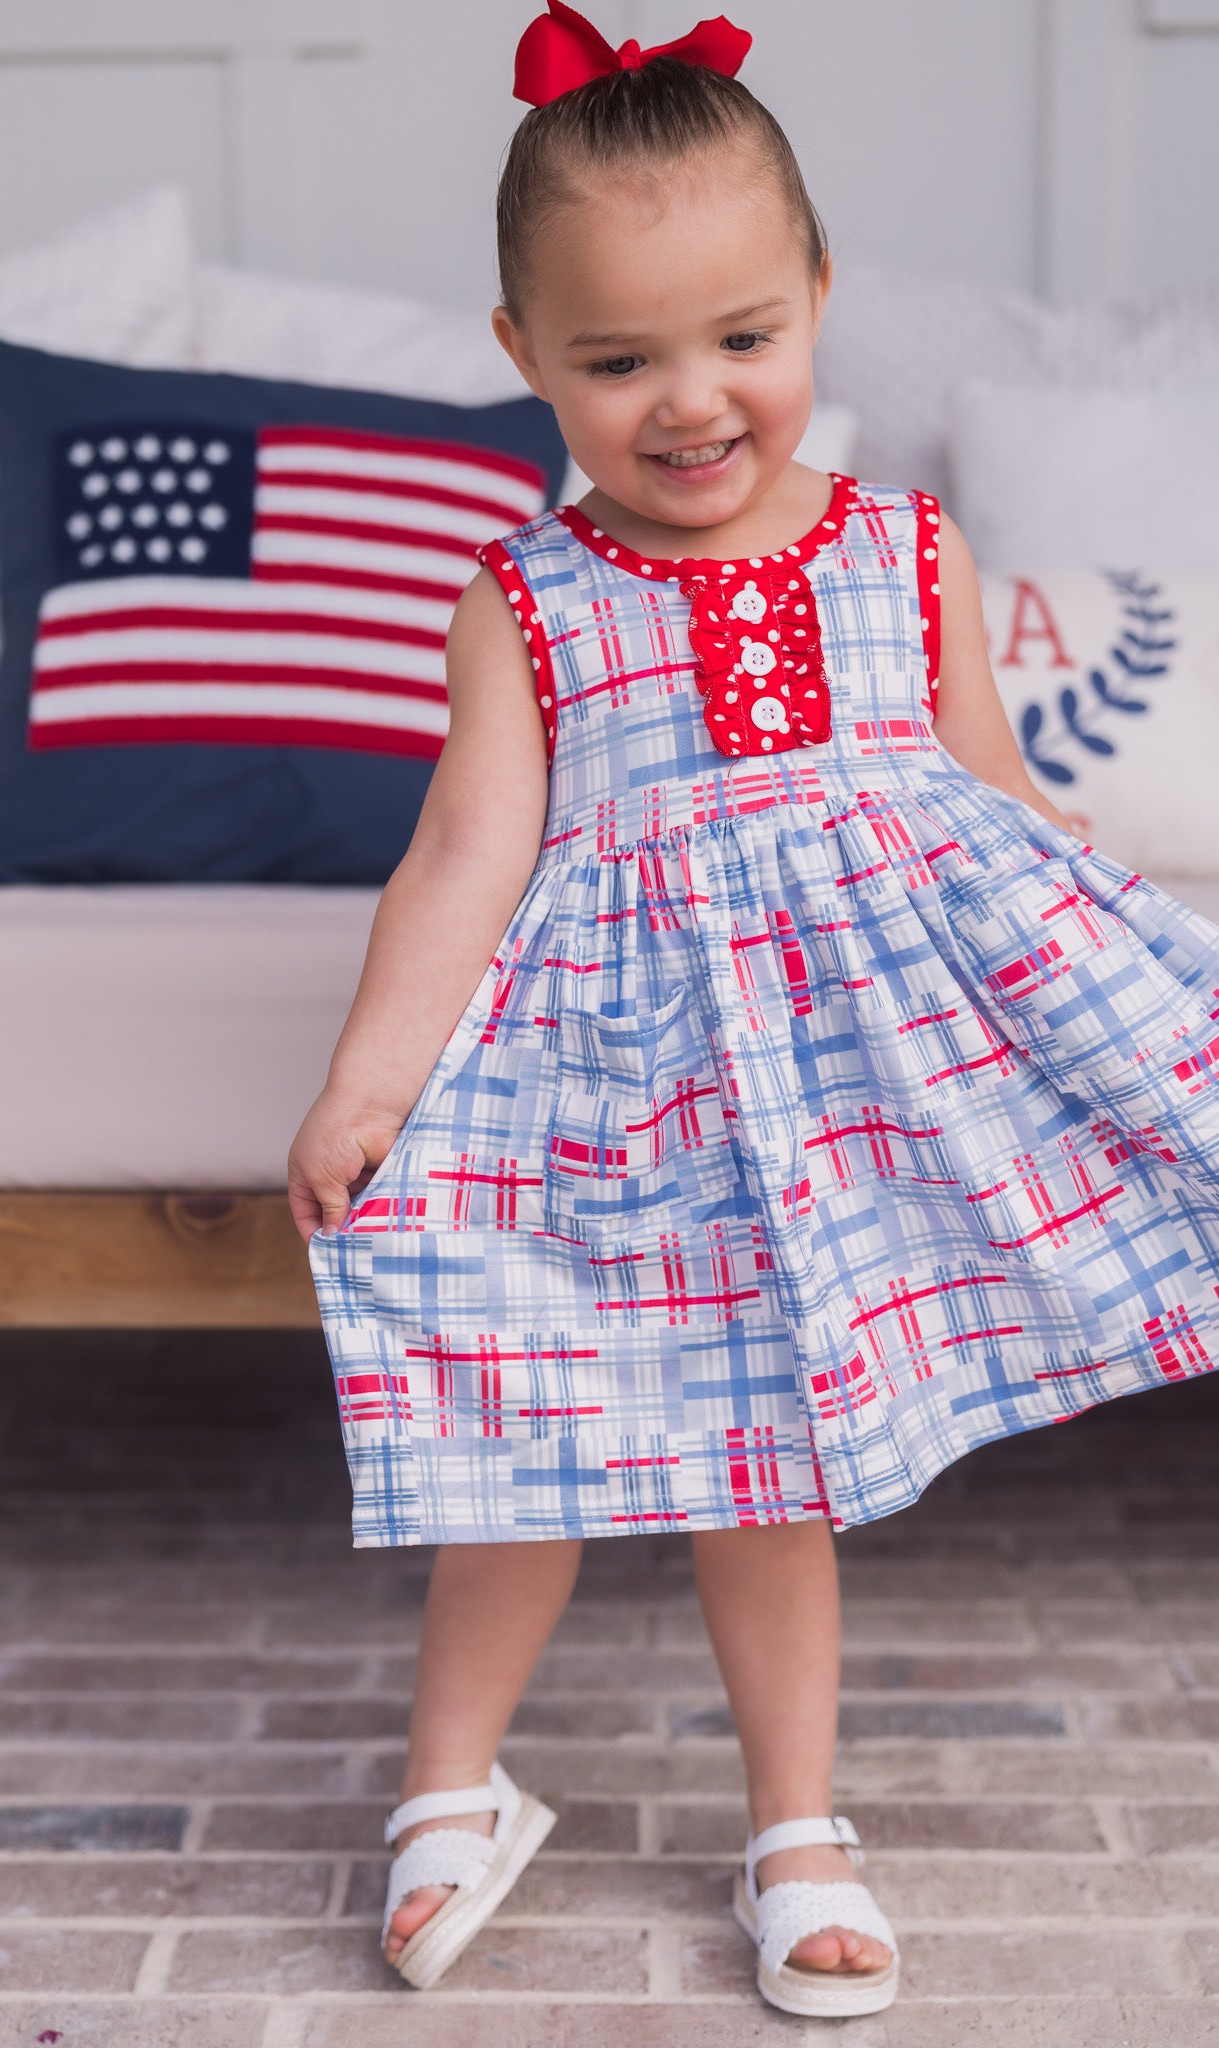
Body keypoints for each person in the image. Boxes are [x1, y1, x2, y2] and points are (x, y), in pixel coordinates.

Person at [287, 1, 1219, 2019]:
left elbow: (994, 799)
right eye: (617, 360)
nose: (690, 401)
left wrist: (1101, 969)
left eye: (740, 336)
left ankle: (793, 1825)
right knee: (517, 1423)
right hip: (608, 1102)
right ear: (524, 351)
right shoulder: (525, 600)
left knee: (775, 1472)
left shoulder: (901, 548)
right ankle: (449, 1781)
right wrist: (366, 1086)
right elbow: (461, 858)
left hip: (830, 1110)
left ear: (817, 294)